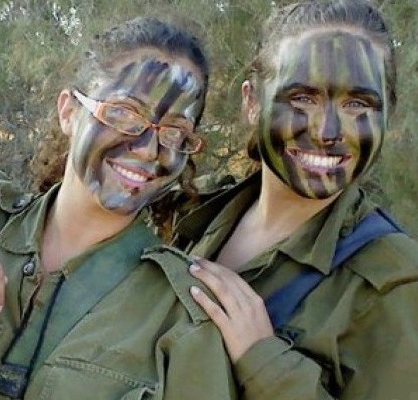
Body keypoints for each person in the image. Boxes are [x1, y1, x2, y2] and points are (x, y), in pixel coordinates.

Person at [0, 16, 236, 400]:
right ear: (69, 111)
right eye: (124, 113)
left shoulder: (181, 313)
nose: (148, 149)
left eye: (174, 131)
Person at [176, 0, 418, 398]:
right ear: (252, 102)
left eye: (358, 104)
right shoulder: (193, 216)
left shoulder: (394, 282)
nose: (328, 132)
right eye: (303, 98)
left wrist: (264, 361)